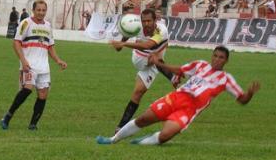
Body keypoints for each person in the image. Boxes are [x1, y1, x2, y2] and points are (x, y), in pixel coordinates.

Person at [96, 46, 261, 145]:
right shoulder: (200, 65)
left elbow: (242, 100)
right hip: (176, 97)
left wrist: (250, 94)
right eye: (215, 56)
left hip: (189, 109)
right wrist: (161, 64)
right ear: (212, 56)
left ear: (226, 61)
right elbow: (180, 70)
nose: (217, 59)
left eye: (221, 58)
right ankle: (112, 139)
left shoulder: (226, 79)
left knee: (166, 135)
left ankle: (144, 142)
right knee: (143, 119)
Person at [0, 0, 67, 130]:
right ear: (33, 10)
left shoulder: (47, 25)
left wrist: (58, 60)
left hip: (44, 67)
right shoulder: (26, 23)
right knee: (27, 89)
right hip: (29, 65)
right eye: (39, 10)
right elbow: (16, 42)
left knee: (43, 95)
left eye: (43, 10)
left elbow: (50, 46)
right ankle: (7, 116)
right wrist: (23, 61)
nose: (41, 13)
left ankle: (33, 125)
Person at [109, 8, 175, 133]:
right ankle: (173, 78)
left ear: (155, 20)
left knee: (138, 93)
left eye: (149, 21)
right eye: (144, 21)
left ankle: (120, 127)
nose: (146, 24)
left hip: (153, 64)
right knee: (155, 57)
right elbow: (121, 45)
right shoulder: (135, 27)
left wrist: (123, 45)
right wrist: (121, 42)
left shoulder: (161, 30)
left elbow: (148, 45)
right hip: (140, 58)